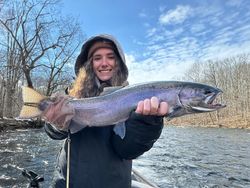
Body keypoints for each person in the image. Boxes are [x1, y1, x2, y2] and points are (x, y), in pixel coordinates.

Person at [43, 34, 169, 188]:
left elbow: (127, 150)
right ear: (89, 64)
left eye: (110, 57)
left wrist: (147, 123)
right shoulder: (71, 95)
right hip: (66, 182)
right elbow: (53, 133)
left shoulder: (135, 98)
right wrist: (57, 124)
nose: (104, 63)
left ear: (119, 62)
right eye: (97, 58)